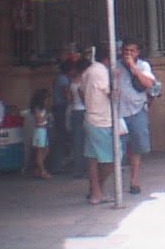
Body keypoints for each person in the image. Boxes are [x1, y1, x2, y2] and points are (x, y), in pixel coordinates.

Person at [117, 39, 155, 195]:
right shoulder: (115, 65)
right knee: (117, 149)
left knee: (136, 147)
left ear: (137, 52)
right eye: (126, 51)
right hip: (118, 112)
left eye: (132, 51)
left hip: (137, 110)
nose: (128, 54)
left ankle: (134, 180)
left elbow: (149, 84)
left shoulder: (143, 65)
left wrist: (133, 67)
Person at [78, 56, 116, 205]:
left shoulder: (88, 71)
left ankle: (95, 192)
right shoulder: (101, 72)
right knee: (111, 158)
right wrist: (117, 82)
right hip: (102, 120)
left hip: (90, 117)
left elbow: (81, 92)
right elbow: (112, 94)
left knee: (93, 159)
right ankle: (97, 190)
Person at [49, 60, 70, 174]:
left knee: (60, 137)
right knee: (60, 137)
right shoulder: (63, 80)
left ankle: (58, 163)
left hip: (58, 108)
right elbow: (67, 95)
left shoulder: (59, 78)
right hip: (61, 108)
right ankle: (57, 165)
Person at [67, 62, 86, 178]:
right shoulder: (82, 83)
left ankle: (77, 169)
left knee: (76, 141)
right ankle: (82, 169)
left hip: (74, 111)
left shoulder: (72, 83)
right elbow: (84, 99)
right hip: (82, 111)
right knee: (84, 141)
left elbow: (69, 98)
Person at [30, 88, 52, 179]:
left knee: (46, 150)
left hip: (44, 130)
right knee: (40, 151)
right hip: (40, 130)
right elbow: (39, 119)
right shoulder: (37, 108)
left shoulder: (44, 108)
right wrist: (47, 116)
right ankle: (42, 170)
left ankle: (38, 167)